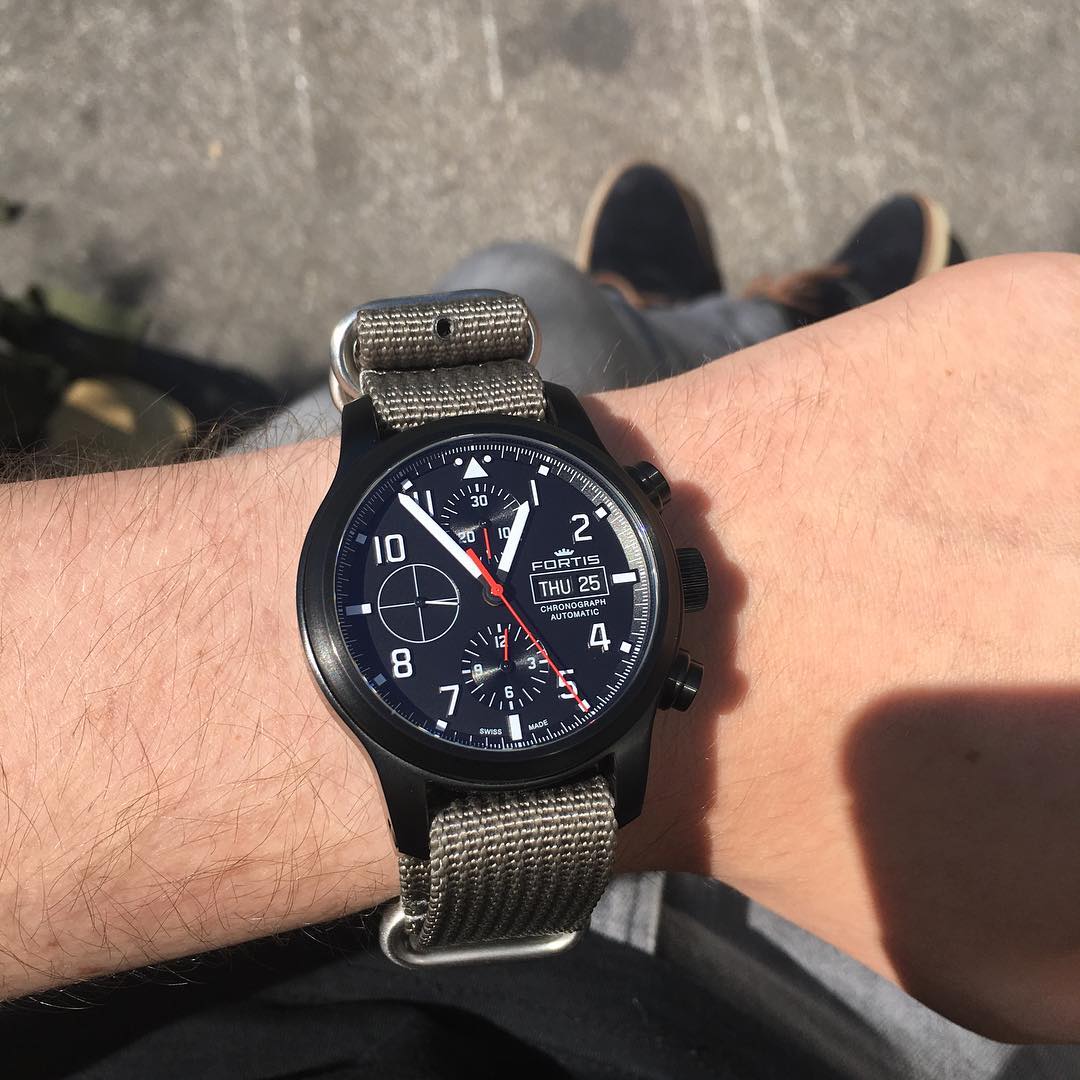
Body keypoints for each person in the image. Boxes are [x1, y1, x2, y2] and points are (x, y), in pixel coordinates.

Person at [1, 163, 1079, 1079]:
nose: (492, 590)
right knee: (537, 296)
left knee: (532, 295)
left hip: (272, 966)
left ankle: (706, 323)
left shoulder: (630, 585)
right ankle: (735, 325)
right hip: (732, 1017)